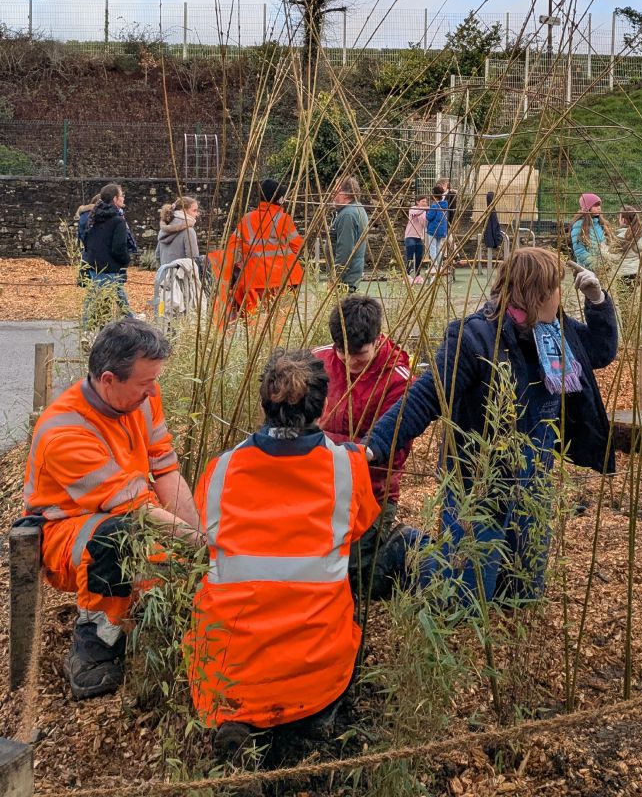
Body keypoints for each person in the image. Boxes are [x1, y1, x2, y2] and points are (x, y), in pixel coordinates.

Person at [365, 247, 617, 603]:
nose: (561, 296)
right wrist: (375, 444)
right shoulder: (476, 338)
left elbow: (601, 351)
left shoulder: (554, 331)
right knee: (466, 596)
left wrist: (598, 301)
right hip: (478, 480)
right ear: (537, 294)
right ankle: (408, 551)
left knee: (522, 592)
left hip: (532, 477)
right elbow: (427, 397)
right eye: (556, 288)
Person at [185, 350, 379, 758]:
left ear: (264, 403)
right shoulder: (348, 469)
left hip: (225, 673)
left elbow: (206, 534)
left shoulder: (220, 470)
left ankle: (242, 723)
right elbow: (361, 527)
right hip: (316, 664)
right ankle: (311, 719)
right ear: (323, 405)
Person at [16, 320, 201, 699]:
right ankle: (94, 646)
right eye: (145, 383)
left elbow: (165, 467)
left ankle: (145, 620)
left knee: (149, 545)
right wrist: (204, 547)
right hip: (64, 535)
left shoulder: (142, 398)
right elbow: (134, 509)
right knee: (117, 539)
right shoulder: (64, 432)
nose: (153, 391)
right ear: (108, 380)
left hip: (129, 513)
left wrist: (197, 539)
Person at [313, 296, 413, 596]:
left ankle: (401, 548)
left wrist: (320, 443)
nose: (348, 361)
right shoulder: (317, 362)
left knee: (354, 576)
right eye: (341, 352)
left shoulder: (397, 380)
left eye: (359, 355)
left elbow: (394, 451)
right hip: (318, 485)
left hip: (371, 491)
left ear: (377, 339)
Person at [215, 179, 303, 317]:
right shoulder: (284, 219)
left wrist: (242, 261)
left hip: (255, 280)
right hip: (284, 279)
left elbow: (232, 250)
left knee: (255, 319)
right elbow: (298, 247)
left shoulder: (247, 219)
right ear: (279, 199)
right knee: (280, 319)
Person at [82, 183, 135, 317]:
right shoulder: (118, 221)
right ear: (115, 199)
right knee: (121, 305)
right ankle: (132, 324)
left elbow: (86, 239)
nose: (123, 198)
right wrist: (126, 260)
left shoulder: (93, 216)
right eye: (121, 195)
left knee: (94, 302)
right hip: (110, 268)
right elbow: (119, 247)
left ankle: (89, 327)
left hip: (94, 265)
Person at [153, 196, 203, 318]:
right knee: (181, 316)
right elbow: (193, 260)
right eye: (194, 210)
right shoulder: (189, 231)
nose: (197, 214)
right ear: (184, 211)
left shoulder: (164, 230)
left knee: (163, 313)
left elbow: (157, 255)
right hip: (181, 282)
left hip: (163, 278)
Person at [330, 177, 369, 293]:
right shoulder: (357, 208)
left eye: (335, 191)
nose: (332, 194)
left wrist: (336, 277)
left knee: (342, 303)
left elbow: (345, 249)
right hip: (351, 274)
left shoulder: (348, 215)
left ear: (346, 194)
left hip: (345, 278)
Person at [570, 193, 612, 267]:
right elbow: (579, 251)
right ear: (587, 207)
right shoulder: (579, 225)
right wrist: (595, 264)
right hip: (587, 268)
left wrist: (607, 260)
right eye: (595, 205)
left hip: (603, 265)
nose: (599, 208)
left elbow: (607, 244)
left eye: (599, 205)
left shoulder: (600, 223)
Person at [614, 205, 642, 282]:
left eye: (620, 217)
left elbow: (615, 257)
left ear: (623, 219)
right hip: (637, 271)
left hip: (623, 273)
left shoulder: (620, 236)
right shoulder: (641, 235)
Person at [403, 193, 429, 281]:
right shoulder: (413, 209)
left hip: (419, 237)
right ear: (418, 202)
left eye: (426, 202)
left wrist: (426, 215)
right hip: (410, 236)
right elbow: (416, 213)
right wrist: (425, 209)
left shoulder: (424, 212)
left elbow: (425, 224)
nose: (425, 203)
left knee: (419, 257)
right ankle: (407, 275)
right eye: (423, 201)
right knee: (410, 256)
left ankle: (417, 275)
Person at [425, 184, 449, 273]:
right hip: (442, 229)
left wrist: (427, 212)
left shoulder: (435, 206)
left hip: (433, 229)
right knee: (438, 248)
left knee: (432, 248)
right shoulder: (445, 205)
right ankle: (440, 266)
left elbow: (429, 217)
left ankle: (434, 266)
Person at [481, 190, 506, 274]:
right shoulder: (491, 212)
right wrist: (498, 239)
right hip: (493, 240)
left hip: (491, 239)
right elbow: (495, 226)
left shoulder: (489, 212)